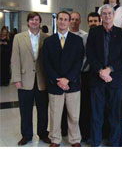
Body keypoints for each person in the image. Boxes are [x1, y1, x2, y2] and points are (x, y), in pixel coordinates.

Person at [87, 4, 122, 147]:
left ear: (114, 15)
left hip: (114, 79)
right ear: (100, 16)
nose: (107, 16)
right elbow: (90, 55)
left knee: (114, 113)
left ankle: (114, 142)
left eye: (109, 13)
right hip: (97, 78)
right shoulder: (93, 33)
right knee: (96, 112)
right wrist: (100, 71)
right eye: (104, 13)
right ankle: (96, 141)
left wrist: (109, 70)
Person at [43, 11, 84, 147]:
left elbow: (79, 62)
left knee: (74, 115)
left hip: (73, 83)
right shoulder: (49, 41)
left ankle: (75, 139)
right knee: (55, 115)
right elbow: (46, 63)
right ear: (57, 21)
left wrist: (68, 79)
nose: (62, 22)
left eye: (66, 19)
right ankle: (55, 139)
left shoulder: (77, 40)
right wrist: (58, 80)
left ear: (69, 22)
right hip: (55, 84)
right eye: (60, 19)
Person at [11, 12, 50, 145]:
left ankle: (43, 133)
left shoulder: (47, 37)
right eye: (32, 20)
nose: (34, 22)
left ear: (40, 22)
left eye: (37, 20)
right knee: (25, 109)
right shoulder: (18, 38)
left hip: (42, 80)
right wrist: (16, 78)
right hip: (24, 79)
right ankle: (26, 135)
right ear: (28, 22)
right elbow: (14, 59)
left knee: (43, 109)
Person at [69, 11, 91, 142]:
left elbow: (87, 56)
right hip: (67, 76)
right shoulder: (63, 35)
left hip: (83, 73)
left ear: (80, 21)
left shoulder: (85, 36)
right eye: (72, 19)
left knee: (83, 104)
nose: (74, 21)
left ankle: (83, 132)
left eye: (77, 19)